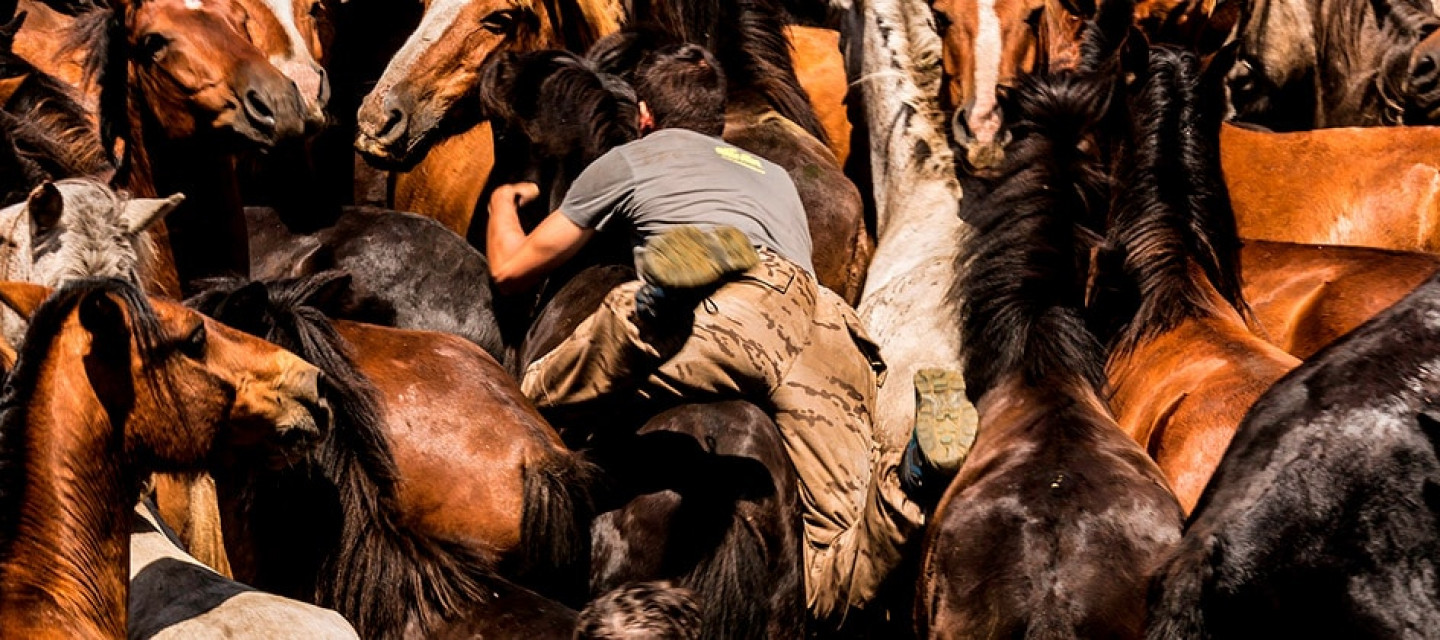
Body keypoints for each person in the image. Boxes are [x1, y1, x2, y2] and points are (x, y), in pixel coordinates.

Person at [486, 43, 972, 624]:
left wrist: (500, 205)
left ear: (644, 116)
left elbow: (510, 273)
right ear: (718, 123)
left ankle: (653, 311)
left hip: (730, 309)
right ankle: (913, 477)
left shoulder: (634, 158)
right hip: (826, 329)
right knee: (828, 579)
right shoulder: (774, 176)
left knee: (539, 394)